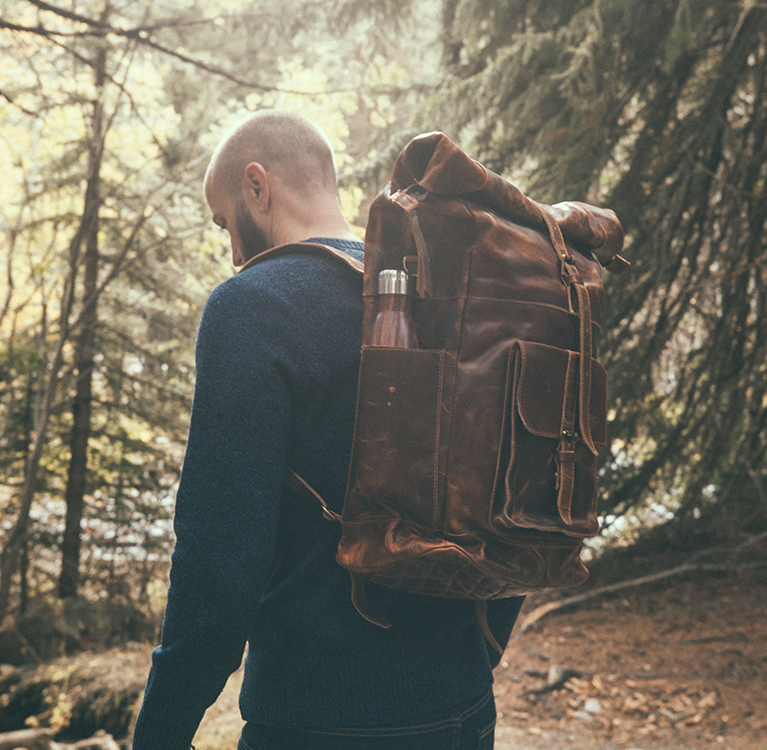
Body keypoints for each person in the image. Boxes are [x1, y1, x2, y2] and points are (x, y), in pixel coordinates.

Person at [131, 110, 523, 750]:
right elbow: (506, 492)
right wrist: (473, 659)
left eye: (226, 223)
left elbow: (218, 564)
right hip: (464, 710)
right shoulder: (439, 294)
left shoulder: (253, 307)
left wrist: (160, 733)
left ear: (258, 186)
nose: (233, 252)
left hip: (317, 717)